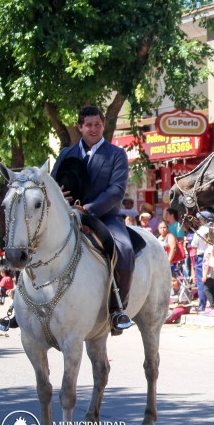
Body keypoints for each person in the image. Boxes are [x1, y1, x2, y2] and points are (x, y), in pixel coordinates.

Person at [48, 105, 134, 331]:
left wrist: (88, 208)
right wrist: (59, 194)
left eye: (98, 125)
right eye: (89, 125)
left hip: (105, 217)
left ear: (103, 125)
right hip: (66, 217)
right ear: (80, 127)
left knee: (124, 249)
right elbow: (51, 184)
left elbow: (116, 191)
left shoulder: (116, 154)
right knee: (35, 241)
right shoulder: (67, 153)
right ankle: (23, 305)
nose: (93, 129)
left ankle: (117, 310)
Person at [189, 210, 213, 312]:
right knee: (211, 280)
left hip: (201, 256)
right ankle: (213, 303)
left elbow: (194, 245)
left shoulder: (199, 231)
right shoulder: (212, 229)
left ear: (202, 220)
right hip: (211, 254)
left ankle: (202, 305)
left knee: (200, 282)